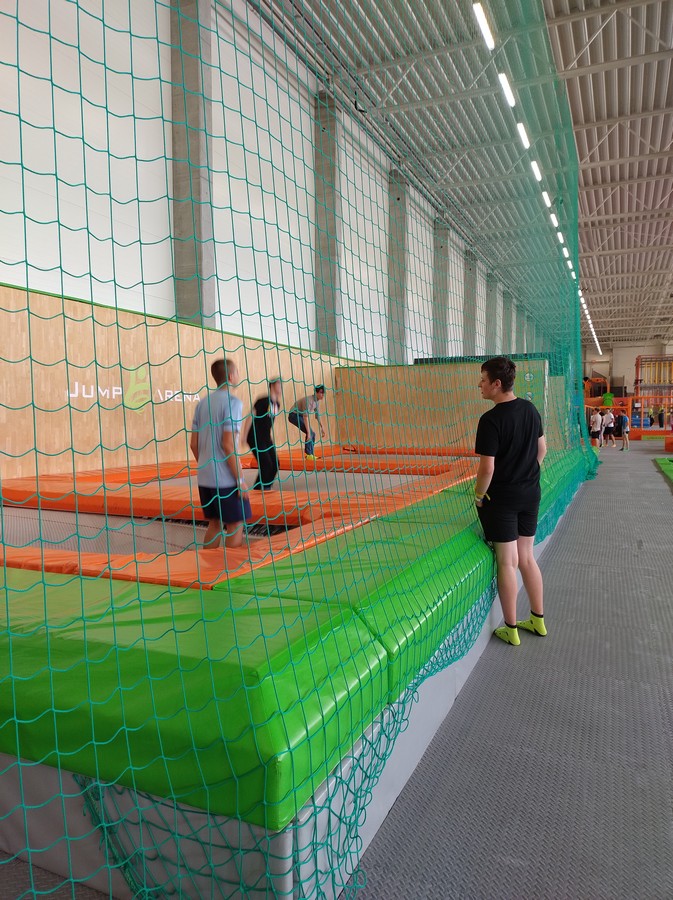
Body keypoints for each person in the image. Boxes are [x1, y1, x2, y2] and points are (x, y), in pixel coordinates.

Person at [474, 357, 547, 647]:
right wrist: (526, 476)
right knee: (526, 558)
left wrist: (479, 496)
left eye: (483, 380)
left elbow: (487, 469)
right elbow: (542, 450)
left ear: (496, 384)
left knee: (507, 561)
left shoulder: (490, 420)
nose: (479, 385)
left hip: (503, 499)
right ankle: (538, 620)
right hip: (530, 494)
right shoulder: (530, 410)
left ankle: (511, 628)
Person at [190, 358, 251, 549]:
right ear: (231, 376)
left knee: (215, 524)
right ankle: (231, 567)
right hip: (225, 480)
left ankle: (208, 565)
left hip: (204, 477)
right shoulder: (233, 403)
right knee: (235, 524)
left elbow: (193, 444)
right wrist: (240, 480)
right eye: (237, 372)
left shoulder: (202, 404)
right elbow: (228, 444)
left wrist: (206, 465)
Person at [246, 378, 282, 490]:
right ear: (272, 386)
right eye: (278, 384)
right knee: (266, 464)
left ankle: (266, 487)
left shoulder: (277, 404)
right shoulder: (263, 400)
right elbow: (250, 416)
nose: (280, 387)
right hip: (254, 436)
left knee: (275, 464)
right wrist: (243, 436)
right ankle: (258, 489)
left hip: (266, 437)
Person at [288, 385, 326, 460]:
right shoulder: (309, 401)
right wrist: (308, 432)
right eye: (321, 393)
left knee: (312, 434)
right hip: (293, 415)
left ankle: (310, 454)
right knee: (310, 433)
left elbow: (317, 416)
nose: (322, 395)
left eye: (323, 393)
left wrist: (322, 427)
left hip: (300, 415)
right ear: (316, 393)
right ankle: (309, 455)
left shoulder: (317, 402)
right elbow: (305, 417)